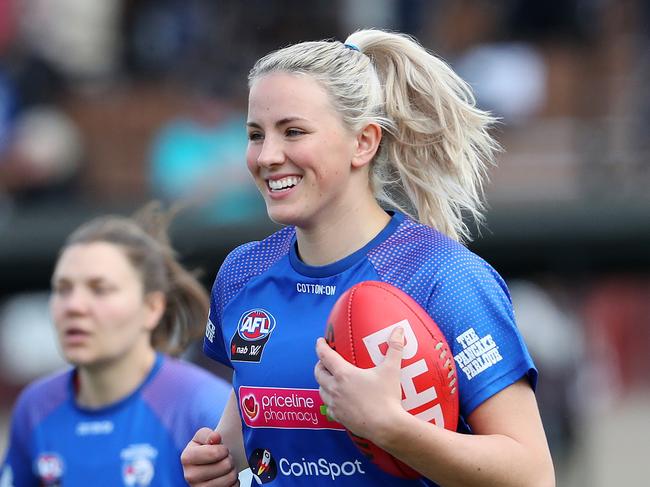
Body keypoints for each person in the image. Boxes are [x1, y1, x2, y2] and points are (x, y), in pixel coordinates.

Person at [181, 28, 555, 487]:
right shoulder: (243, 272)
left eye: (293, 131)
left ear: (364, 142)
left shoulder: (443, 277)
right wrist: (216, 461)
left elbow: (532, 475)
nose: (267, 155)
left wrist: (391, 428)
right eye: (256, 134)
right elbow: (251, 421)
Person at [0, 203, 232, 486]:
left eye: (100, 289)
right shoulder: (35, 407)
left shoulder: (205, 406)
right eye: (62, 289)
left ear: (152, 307)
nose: (74, 306)